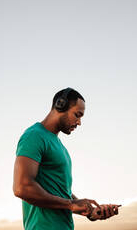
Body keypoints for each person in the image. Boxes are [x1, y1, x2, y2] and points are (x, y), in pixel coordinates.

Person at [13, 87, 121, 230]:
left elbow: (62, 192)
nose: (79, 122)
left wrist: (91, 211)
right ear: (60, 105)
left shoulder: (59, 146)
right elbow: (22, 188)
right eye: (77, 115)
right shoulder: (34, 136)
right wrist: (70, 204)